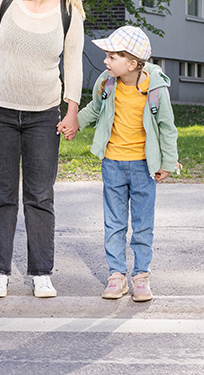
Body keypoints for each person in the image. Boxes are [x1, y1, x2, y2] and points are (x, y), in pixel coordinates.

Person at [0, 0, 85, 299]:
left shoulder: (69, 12)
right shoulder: (3, 0)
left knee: (40, 195)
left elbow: (74, 63)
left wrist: (72, 110)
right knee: (1, 194)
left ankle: (41, 273)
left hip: (44, 116)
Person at [71, 26, 178, 302]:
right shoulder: (106, 83)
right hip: (113, 164)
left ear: (132, 63)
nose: (106, 61)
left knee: (143, 224)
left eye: (112, 56)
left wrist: (168, 161)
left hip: (145, 166)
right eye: (107, 56)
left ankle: (141, 276)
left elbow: (167, 127)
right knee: (115, 223)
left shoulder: (155, 89)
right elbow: (94, 109)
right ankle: (117, 276)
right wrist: (74, 123)